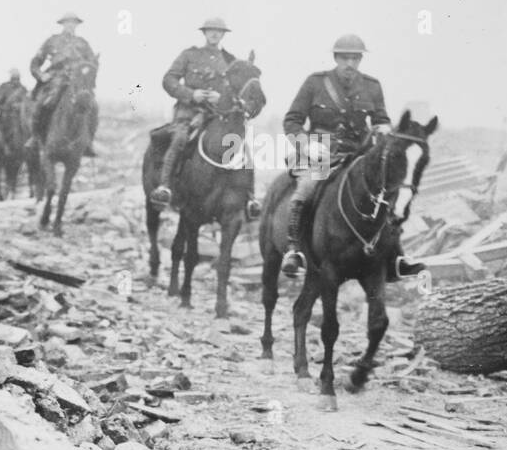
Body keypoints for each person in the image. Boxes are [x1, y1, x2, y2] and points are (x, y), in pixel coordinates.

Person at [280, 34, 426, 280]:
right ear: (336, 58)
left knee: (388, 193)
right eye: (345, 58)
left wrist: (382, 128)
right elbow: (292, 120)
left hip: (358, 153)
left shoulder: (372, 86)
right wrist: (306, 145)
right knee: (306, 188)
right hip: (320, 151)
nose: (350, 63)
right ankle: (295, 251)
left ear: (360, 60)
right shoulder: (315, 83)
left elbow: (381, 120)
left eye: (355, 58)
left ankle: (395, 257)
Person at [151, 17, 260, 218]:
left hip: (218, 116)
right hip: (189, 113)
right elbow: (169, 80)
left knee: (243, 146)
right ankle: (165, 187)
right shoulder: (189, 55)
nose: (214, 34)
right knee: (180, 138)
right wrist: (191, 94)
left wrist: (222, 98)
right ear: (204, 32)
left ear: (223, 35)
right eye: (211, 31)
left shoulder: (230, 60)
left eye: (219, 31)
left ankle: (250, 198)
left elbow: (238, 89)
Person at [29, 12, 97, 157]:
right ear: (62, 24)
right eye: (68, 22)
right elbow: (35, 62)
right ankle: (36, 137)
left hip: (78, 81)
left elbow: (91, 64)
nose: (70, 25)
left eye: (73, 23)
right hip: (57, 78)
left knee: (93, 106)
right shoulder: (52, 41)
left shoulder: (83, 43)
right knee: (44, 103)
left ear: (77, 25)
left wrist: (88, 74)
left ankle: (88, 142)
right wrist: (42, 75)